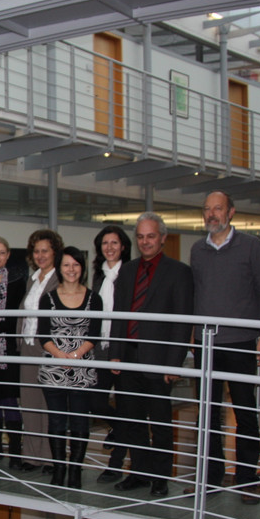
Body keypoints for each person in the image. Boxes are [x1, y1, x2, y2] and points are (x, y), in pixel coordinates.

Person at [190, 191, 260, 505]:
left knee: (245, 413)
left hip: (240, 342)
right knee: (207, 415)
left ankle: (247, 480)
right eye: (207, 209)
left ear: (231, 212)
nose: (211, 214)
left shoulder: (251, 246)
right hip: (206, 343)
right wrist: (192, 333)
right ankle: (210, 479)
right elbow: (196, 294)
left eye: (218, 208)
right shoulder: (197, 250)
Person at [109, 212, 193, 498]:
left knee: (160, 424)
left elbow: (183, 322)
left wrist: (174, 364)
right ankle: (139, 473)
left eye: (151, 236)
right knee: (132, 420)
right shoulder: (127, 271)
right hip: (128, 356)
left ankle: (160, 478)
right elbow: (119, 314)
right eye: (141, 237)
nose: (145, 242)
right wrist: (115, 353)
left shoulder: (179, 272)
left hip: (159, 360)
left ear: (163, 238)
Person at [37, 246, 101, 488]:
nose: (71, 269)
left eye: (76, 264)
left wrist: (74, 356)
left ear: (82, 268)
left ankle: (75, 471)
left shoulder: (94, 298)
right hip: (53, 369)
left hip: (82, 369)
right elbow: (43, 334)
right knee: (56, 422)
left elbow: (93, 334)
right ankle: (59, 469)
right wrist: (60, 356)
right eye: (66, 265)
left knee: (79, 422)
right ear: (59, 268)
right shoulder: (48, 298)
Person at [17, 229, 63, 472]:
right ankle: (32, 456)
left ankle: (50, 457)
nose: (40, 255)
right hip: (28, 345)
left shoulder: (61, 279)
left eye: (45, 250)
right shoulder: (32, 280)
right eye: (36, 251)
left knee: (48, 403)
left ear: (55, 252)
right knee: (30, 402)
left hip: (49, 347)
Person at [91, 225, 132, 484]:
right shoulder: (99, 277)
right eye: (105, 243)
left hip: (124, 349)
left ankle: (115, 466)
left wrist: (119, 350)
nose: (109, 247)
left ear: (123, 246)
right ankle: (117, 426)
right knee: (96, 401)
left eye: (114, 243)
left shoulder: (130, 274)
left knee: (126, 405)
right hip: (100, 349)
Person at [0, 237, 27, 469]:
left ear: (8, 255)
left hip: (10, 347)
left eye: (2, 252)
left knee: (9, 398)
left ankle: (16, 454)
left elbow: (18, 316)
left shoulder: (19, 282)